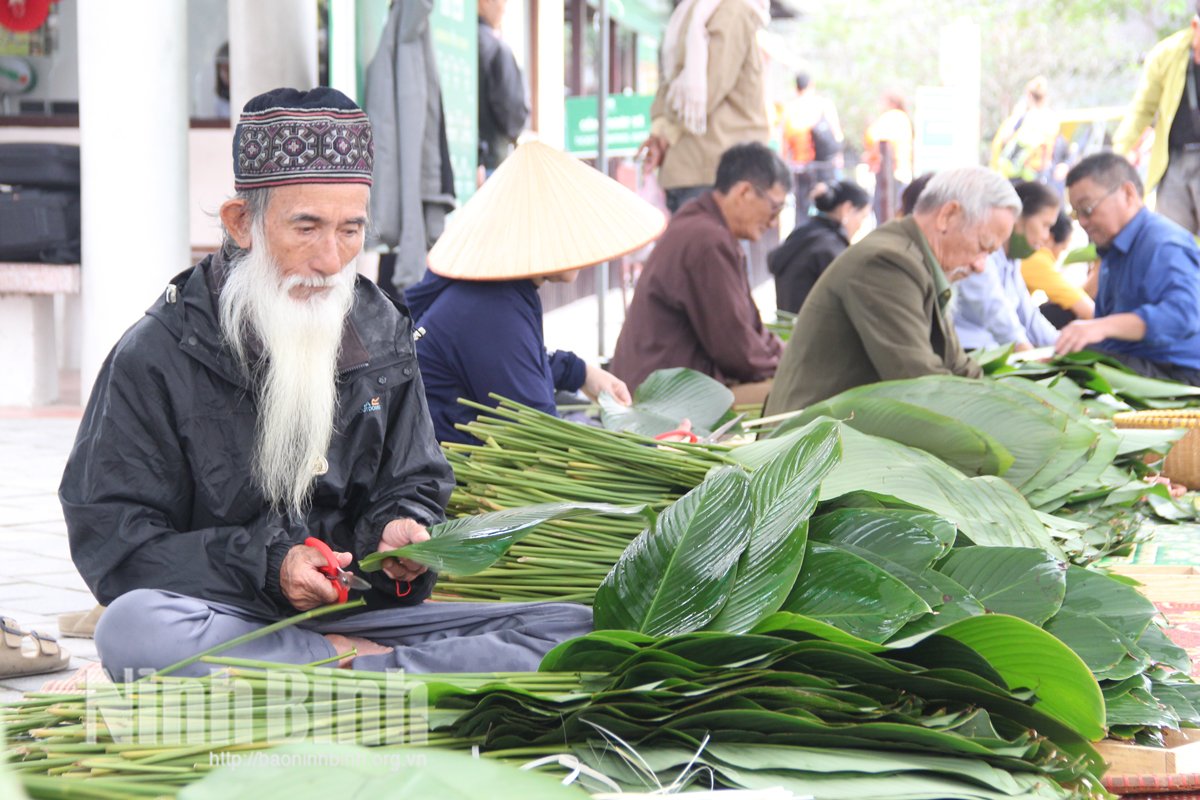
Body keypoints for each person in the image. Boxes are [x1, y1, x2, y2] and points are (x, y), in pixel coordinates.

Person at [60, 89, 593, 680]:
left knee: (575, 626)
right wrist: (269, 566)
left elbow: (414, 480)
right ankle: (377, 671)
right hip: (229, 615)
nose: (331, 260)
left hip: (360, 614)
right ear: (243, 223)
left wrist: (399, 530)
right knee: (133, 629)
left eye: (350, 231)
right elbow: (113, 541)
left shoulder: (383, 329)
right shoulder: (157, 354)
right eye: (307, 228)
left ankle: (337, 669)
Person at [408, 141, 651, 446]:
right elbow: (545, 440)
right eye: (573, 224)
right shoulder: (493, 309)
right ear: (538, 229)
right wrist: (656, 451)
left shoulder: (494, 291)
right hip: (448, 484)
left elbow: (517, 362)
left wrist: (583, 373)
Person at [764, 166, 1021, 414]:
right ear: (948, 216)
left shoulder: (921, 262)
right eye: (983, 247)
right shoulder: (888, 263)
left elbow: (960, 368)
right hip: (809, 446)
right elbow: (922, 385)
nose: (980, 266)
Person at [610, 142, 788, 405]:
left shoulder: (703, 226)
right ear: (745, 193)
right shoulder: (707, 241)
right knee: (796, 395)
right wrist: (789, 370)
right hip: (660, 403)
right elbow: (737, 350)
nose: (773, 222)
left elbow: (749, 328)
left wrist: (788, 356)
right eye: (775, 209)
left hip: (665, 389)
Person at [1055, 153, 1200, 384]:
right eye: (1076, 214)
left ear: (1128, 194)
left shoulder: (1163, 243)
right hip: (1136, 362)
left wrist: (1101, 327)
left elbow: (1183, 315)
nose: (1082, 222)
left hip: (1179, 374)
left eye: (1087, 209)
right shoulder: (1112, 251)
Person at [636, 0, 771, 214]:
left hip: (712, 172)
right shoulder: (699, 8)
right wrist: (659, 135)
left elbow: (704, 90)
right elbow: (679, 82)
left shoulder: (728, 9)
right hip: (706, 173)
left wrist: (663, 135)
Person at [1113, 2, 1200, 235]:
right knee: (1172, 240)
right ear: (1195, 25)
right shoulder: (1167, 54)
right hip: (1172, 162)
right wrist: (1119, 154)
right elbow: (1143, 109)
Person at [952, 180, 1061, 352]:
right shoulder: (980, 253)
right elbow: (995, 311)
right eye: (1045, 225)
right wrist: (1026, 351)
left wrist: (1062, 344)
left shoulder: (1011, 260)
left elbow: (1028, 314)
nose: (1046, 236)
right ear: (1017, 217)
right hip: (968, 351)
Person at [768, 179, 870, 313]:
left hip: (788, 330)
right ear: (847, 209)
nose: (860, 225)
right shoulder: (830, 247)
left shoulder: (802, 234)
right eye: (862, 217)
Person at [781, 71, 844, 216]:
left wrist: (785, 164)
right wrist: (839, 156)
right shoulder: (823, 104)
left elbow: (785, 143)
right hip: (823, 165)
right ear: (811, 85)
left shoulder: (789, 109)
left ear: (797, 88)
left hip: (799, 166)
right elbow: (836, 134)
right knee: (828, 206)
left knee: (801, 208)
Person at [477, 0, 528, 178]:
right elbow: (514, 112)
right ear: (484, 2)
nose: (505, 9)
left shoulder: (455, 44)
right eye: (503, 1)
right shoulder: (497, 49)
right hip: (493, 162)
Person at [1023, 210, 1095, 329]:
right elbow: (1081, 304)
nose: (1058, 257)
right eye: (1062, 249)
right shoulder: (1036, 259)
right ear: (1050, 238)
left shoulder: (1027, 256)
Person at [990, 76, 1067, 186]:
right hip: (1043, 173)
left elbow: (1005, 139)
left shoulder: (1026, 117)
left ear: (1029, 96)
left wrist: (1015, 116)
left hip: (1020, 175)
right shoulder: (1053, 118)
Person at [863, 92, 914, 223]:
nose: (879, 106)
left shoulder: (891, 117)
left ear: (891, 103)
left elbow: (874, 138)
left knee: (884, 213)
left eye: (882, 102)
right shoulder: (903, 118)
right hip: (902, 172)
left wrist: (869, 155)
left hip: (891, 174)